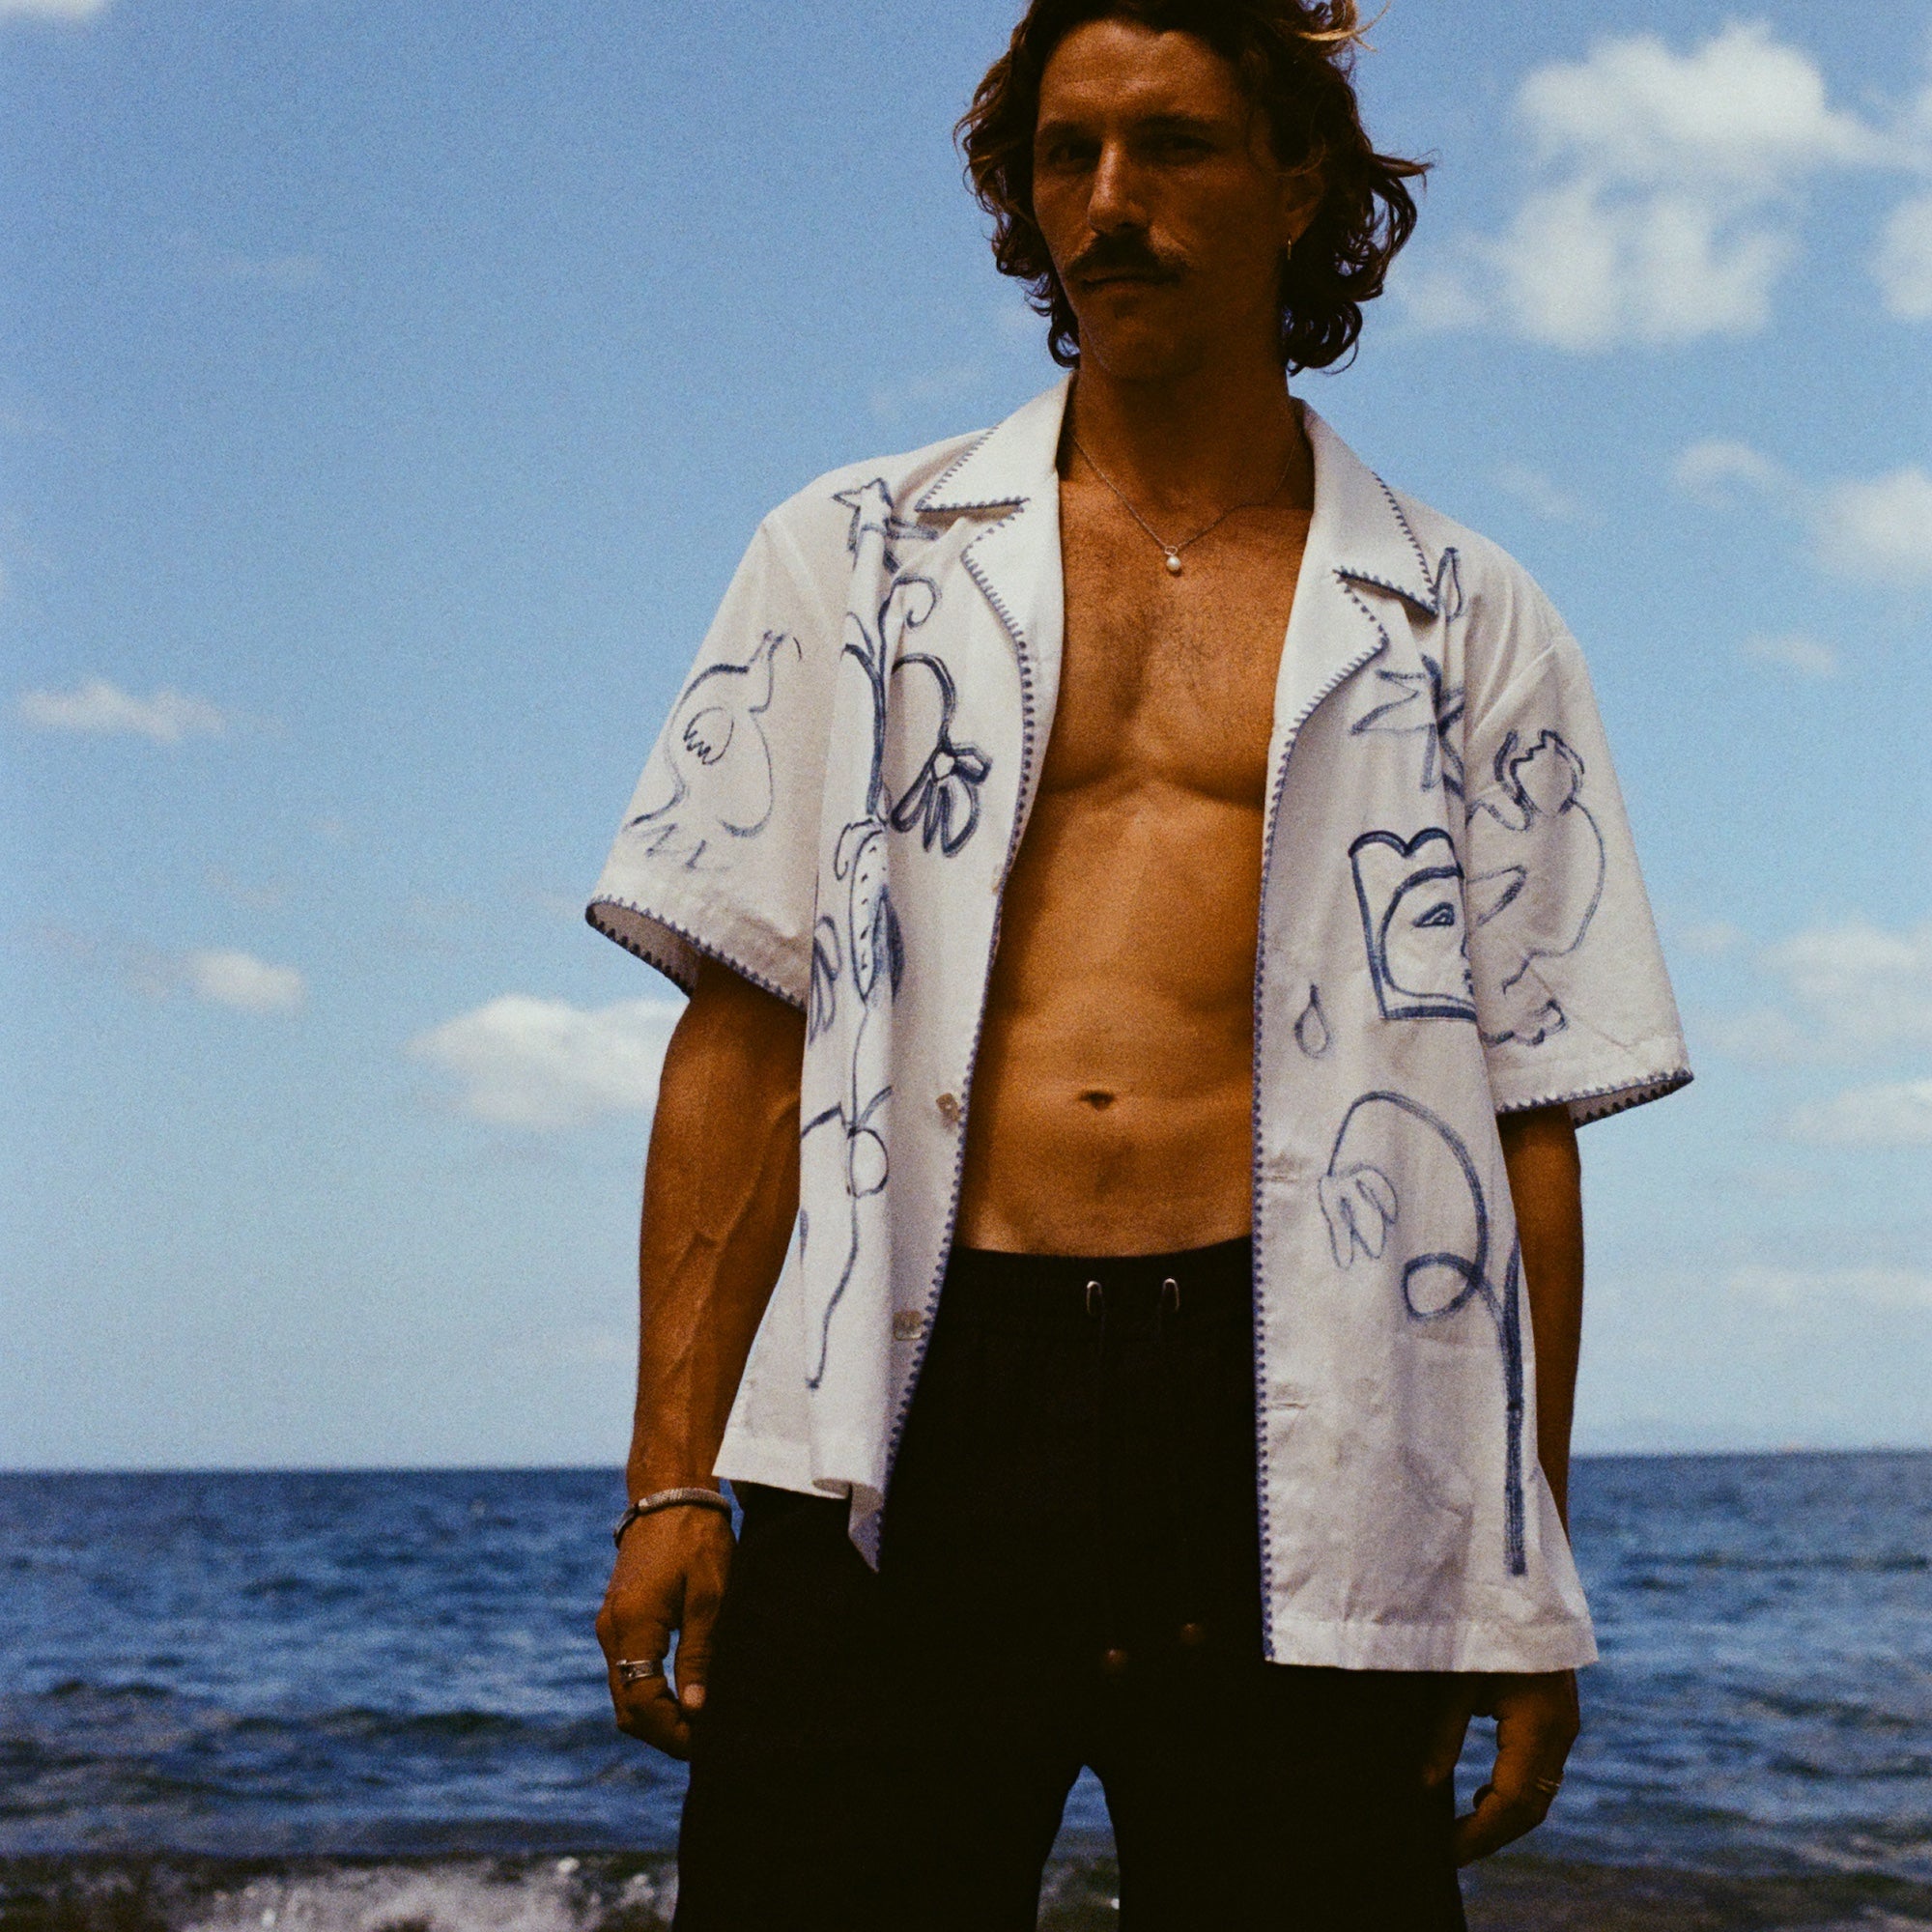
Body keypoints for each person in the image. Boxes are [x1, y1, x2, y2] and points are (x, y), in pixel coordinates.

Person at [587, 3, 1690, 1926]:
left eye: (1171, 144)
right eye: (1065, 153)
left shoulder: (1464, 618)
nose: (1109, 200)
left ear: (1298, 183)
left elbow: (1524, 1122)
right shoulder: (851, 556)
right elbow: (744, 1029)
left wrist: (1519, 1573)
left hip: (1293, 1410)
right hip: (905, 1398)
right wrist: (671, 1474)